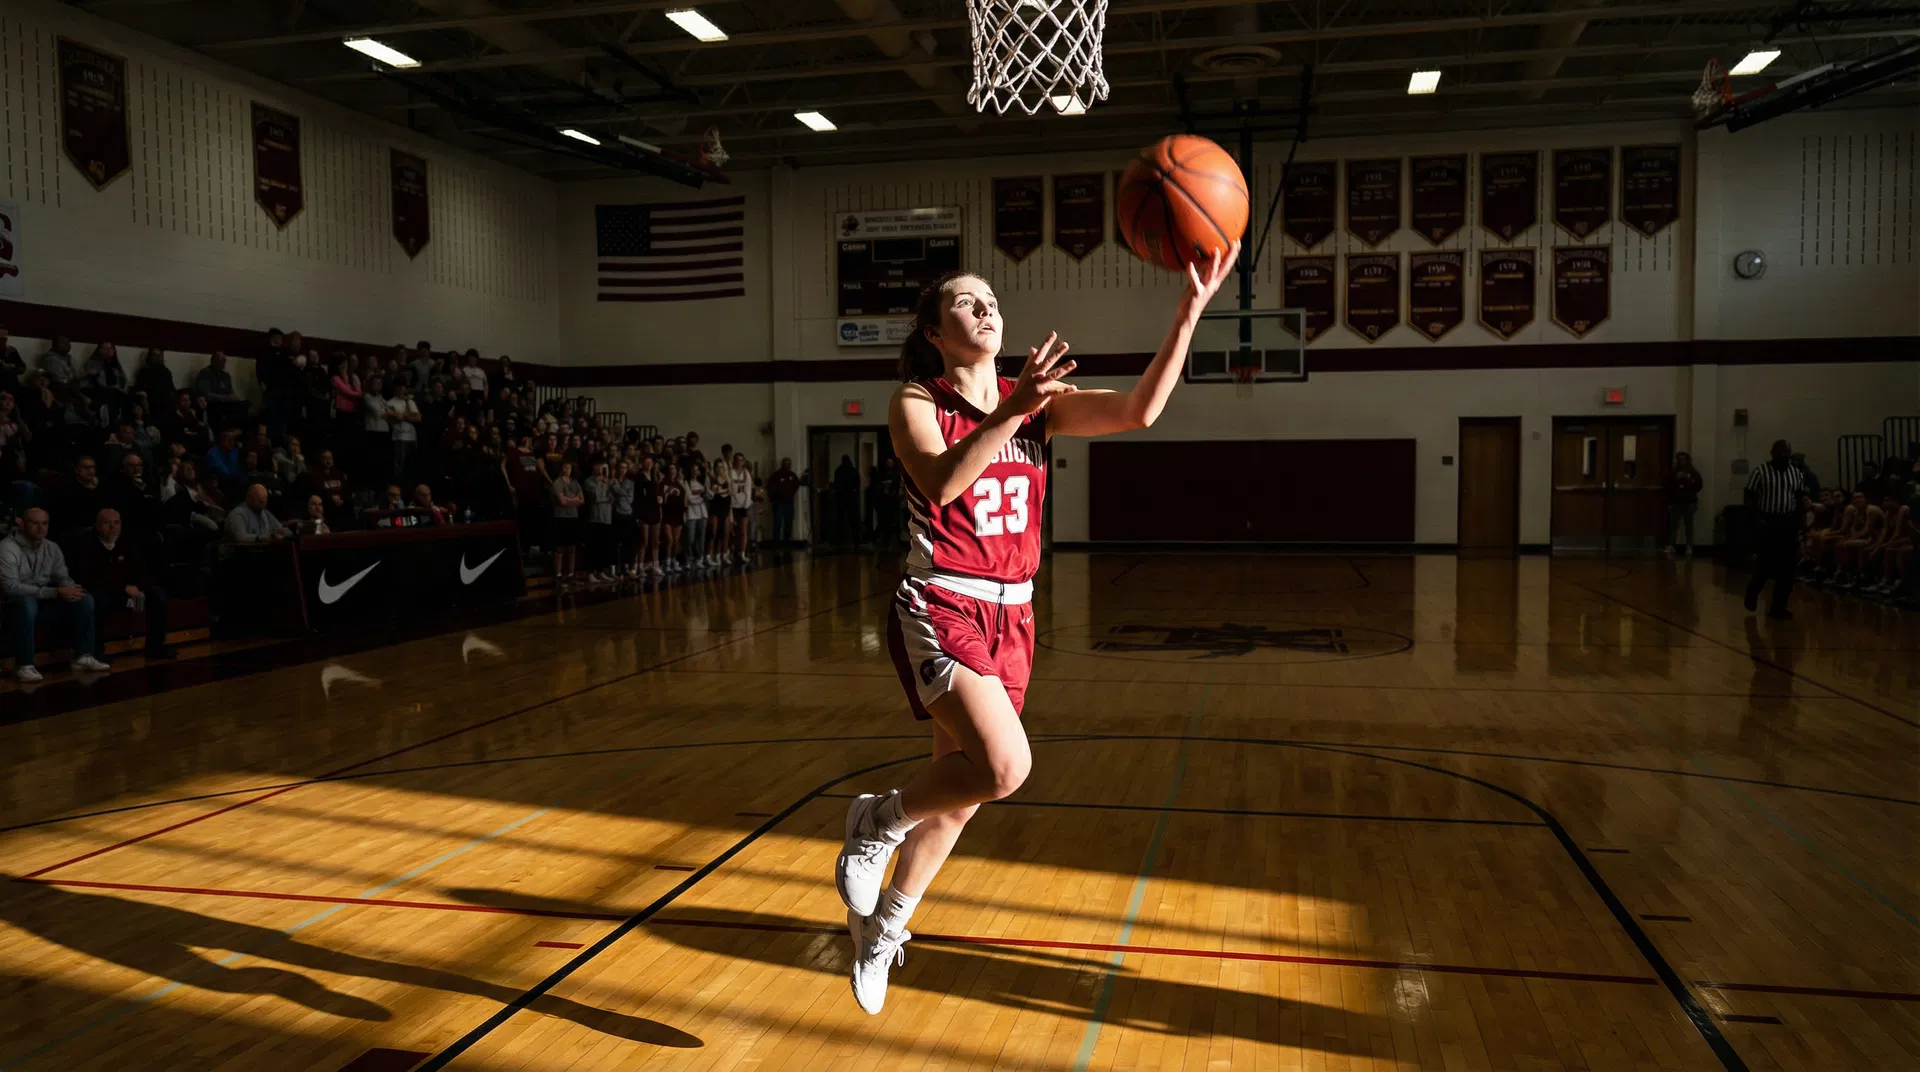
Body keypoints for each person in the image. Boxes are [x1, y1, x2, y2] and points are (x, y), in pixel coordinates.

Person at [834, 247, 1237, 1013]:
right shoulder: (916, 401)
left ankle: (884, 926)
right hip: (941, 600)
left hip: (1014, 613)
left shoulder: (1041, 407)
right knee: (1007, 767)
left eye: (991, 299)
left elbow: (1139, 411)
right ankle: (874, 823)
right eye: (967, 301)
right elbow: (944, 484)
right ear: (934, 329)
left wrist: (1187, 316)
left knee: (961, 795)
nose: (986, 308)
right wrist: (1013, 407)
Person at [2, 507, 108, 682]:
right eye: (35, 523)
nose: (41, 528)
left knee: (84, 597)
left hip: (44, 600)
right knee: (26, 602)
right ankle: (25, 664)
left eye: (44, 523)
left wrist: (71, 589)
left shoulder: (52, 547)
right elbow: (11, 588)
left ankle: (83, 656)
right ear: (22, 524)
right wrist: (56, 591)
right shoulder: (7, 547)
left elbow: (62, 578)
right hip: (13, 605)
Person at [66, 507, 175, 660]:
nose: (113, 527)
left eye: (116, 523)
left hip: (126, 591)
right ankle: (96, 651)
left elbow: (141, 570)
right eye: (107, 523)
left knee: (157, 594)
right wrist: (123, 587)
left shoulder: (127, 541)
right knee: (96, 600)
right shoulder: (85, 543)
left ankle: (155, 647)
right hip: (102, 590)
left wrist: (137, 586)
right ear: (96, 525)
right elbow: (87, 577)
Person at [1743, 439, 1808, 620]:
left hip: (1788, 522)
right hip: (1768, 521)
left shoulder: (1796, 473)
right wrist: (1756, 518)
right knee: (1766, 565)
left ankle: (1778, 607)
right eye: (1780, 453)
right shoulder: (1761, 472)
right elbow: (1749, 496)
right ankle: (1753, 590)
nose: (1784, 456)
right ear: (1772, 453)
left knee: (1788, 568)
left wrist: (1801, 523)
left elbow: (1799, 498)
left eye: (1787, 453)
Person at [547, 459, 584, 586]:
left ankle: (571, 574)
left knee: (572, 547)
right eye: (564, 467)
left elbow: (582, 500)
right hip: (561, 517)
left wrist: (569, 499)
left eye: (568, 468)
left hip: (573, 517)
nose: (566, 470)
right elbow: (561, 501)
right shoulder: (558, 482)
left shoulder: (575, 482)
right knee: (560, 547)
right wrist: (574, 500)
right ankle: (558, 574)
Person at [1664, 451, 1704, 558]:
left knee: (1689, 525)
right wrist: (1676, 479)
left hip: (1689, 502)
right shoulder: (1673, 473)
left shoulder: (1693, 472)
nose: (1681, 462)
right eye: (1679, 459)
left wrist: (1689, 479)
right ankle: (1671, 545)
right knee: (1673, 525)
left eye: (1683, 459)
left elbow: (1698, 486)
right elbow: (1667, 486)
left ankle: (1689, 546)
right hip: (1676, 502)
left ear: (1687, 460)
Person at [729, 452, 757, 563]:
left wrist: (746, 505)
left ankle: (743, 553)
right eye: (737, 460)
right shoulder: (731, 473)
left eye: (741, 460)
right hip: (733, 505)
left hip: (744, 505)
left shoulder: (746, 473)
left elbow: (748, 490)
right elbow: (730, 488)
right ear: (734, 461)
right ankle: (731, 551)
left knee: (743, 531)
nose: (739, 462)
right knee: (732, 531)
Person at [682, 461, 708, 571]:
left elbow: (710, 495)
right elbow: (689, 499)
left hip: (702, 513)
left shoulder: (701, 482)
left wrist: (705, 493)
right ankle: (688, 559)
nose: (695, 472)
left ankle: (699, 559)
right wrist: (702, 496)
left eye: (697, 470)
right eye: (693, 470)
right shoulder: (686, 483)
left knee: (700, 538)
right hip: (691, 514)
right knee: (690, 538)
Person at [769, 457, 800, 545]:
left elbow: (797, 485)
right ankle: (776, 542)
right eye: (786, 463)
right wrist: (773, 499)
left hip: (789, 503)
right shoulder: (776, 475)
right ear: (782, 464)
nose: (788, 465)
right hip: (779, 503)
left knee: (788, 522)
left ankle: (787, 541)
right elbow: (770, 488)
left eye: (789, 464)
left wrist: (790, 493)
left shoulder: (792, 475)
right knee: (778, 523)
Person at [833, 454, 861, 546]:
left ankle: (840, 539)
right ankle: (855, 539)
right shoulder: (853, 471)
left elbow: (836, 483)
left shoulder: (839, 471)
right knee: (853, 519)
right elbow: (857, 483)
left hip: (841, 497)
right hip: (851, 497)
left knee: (840, 518)